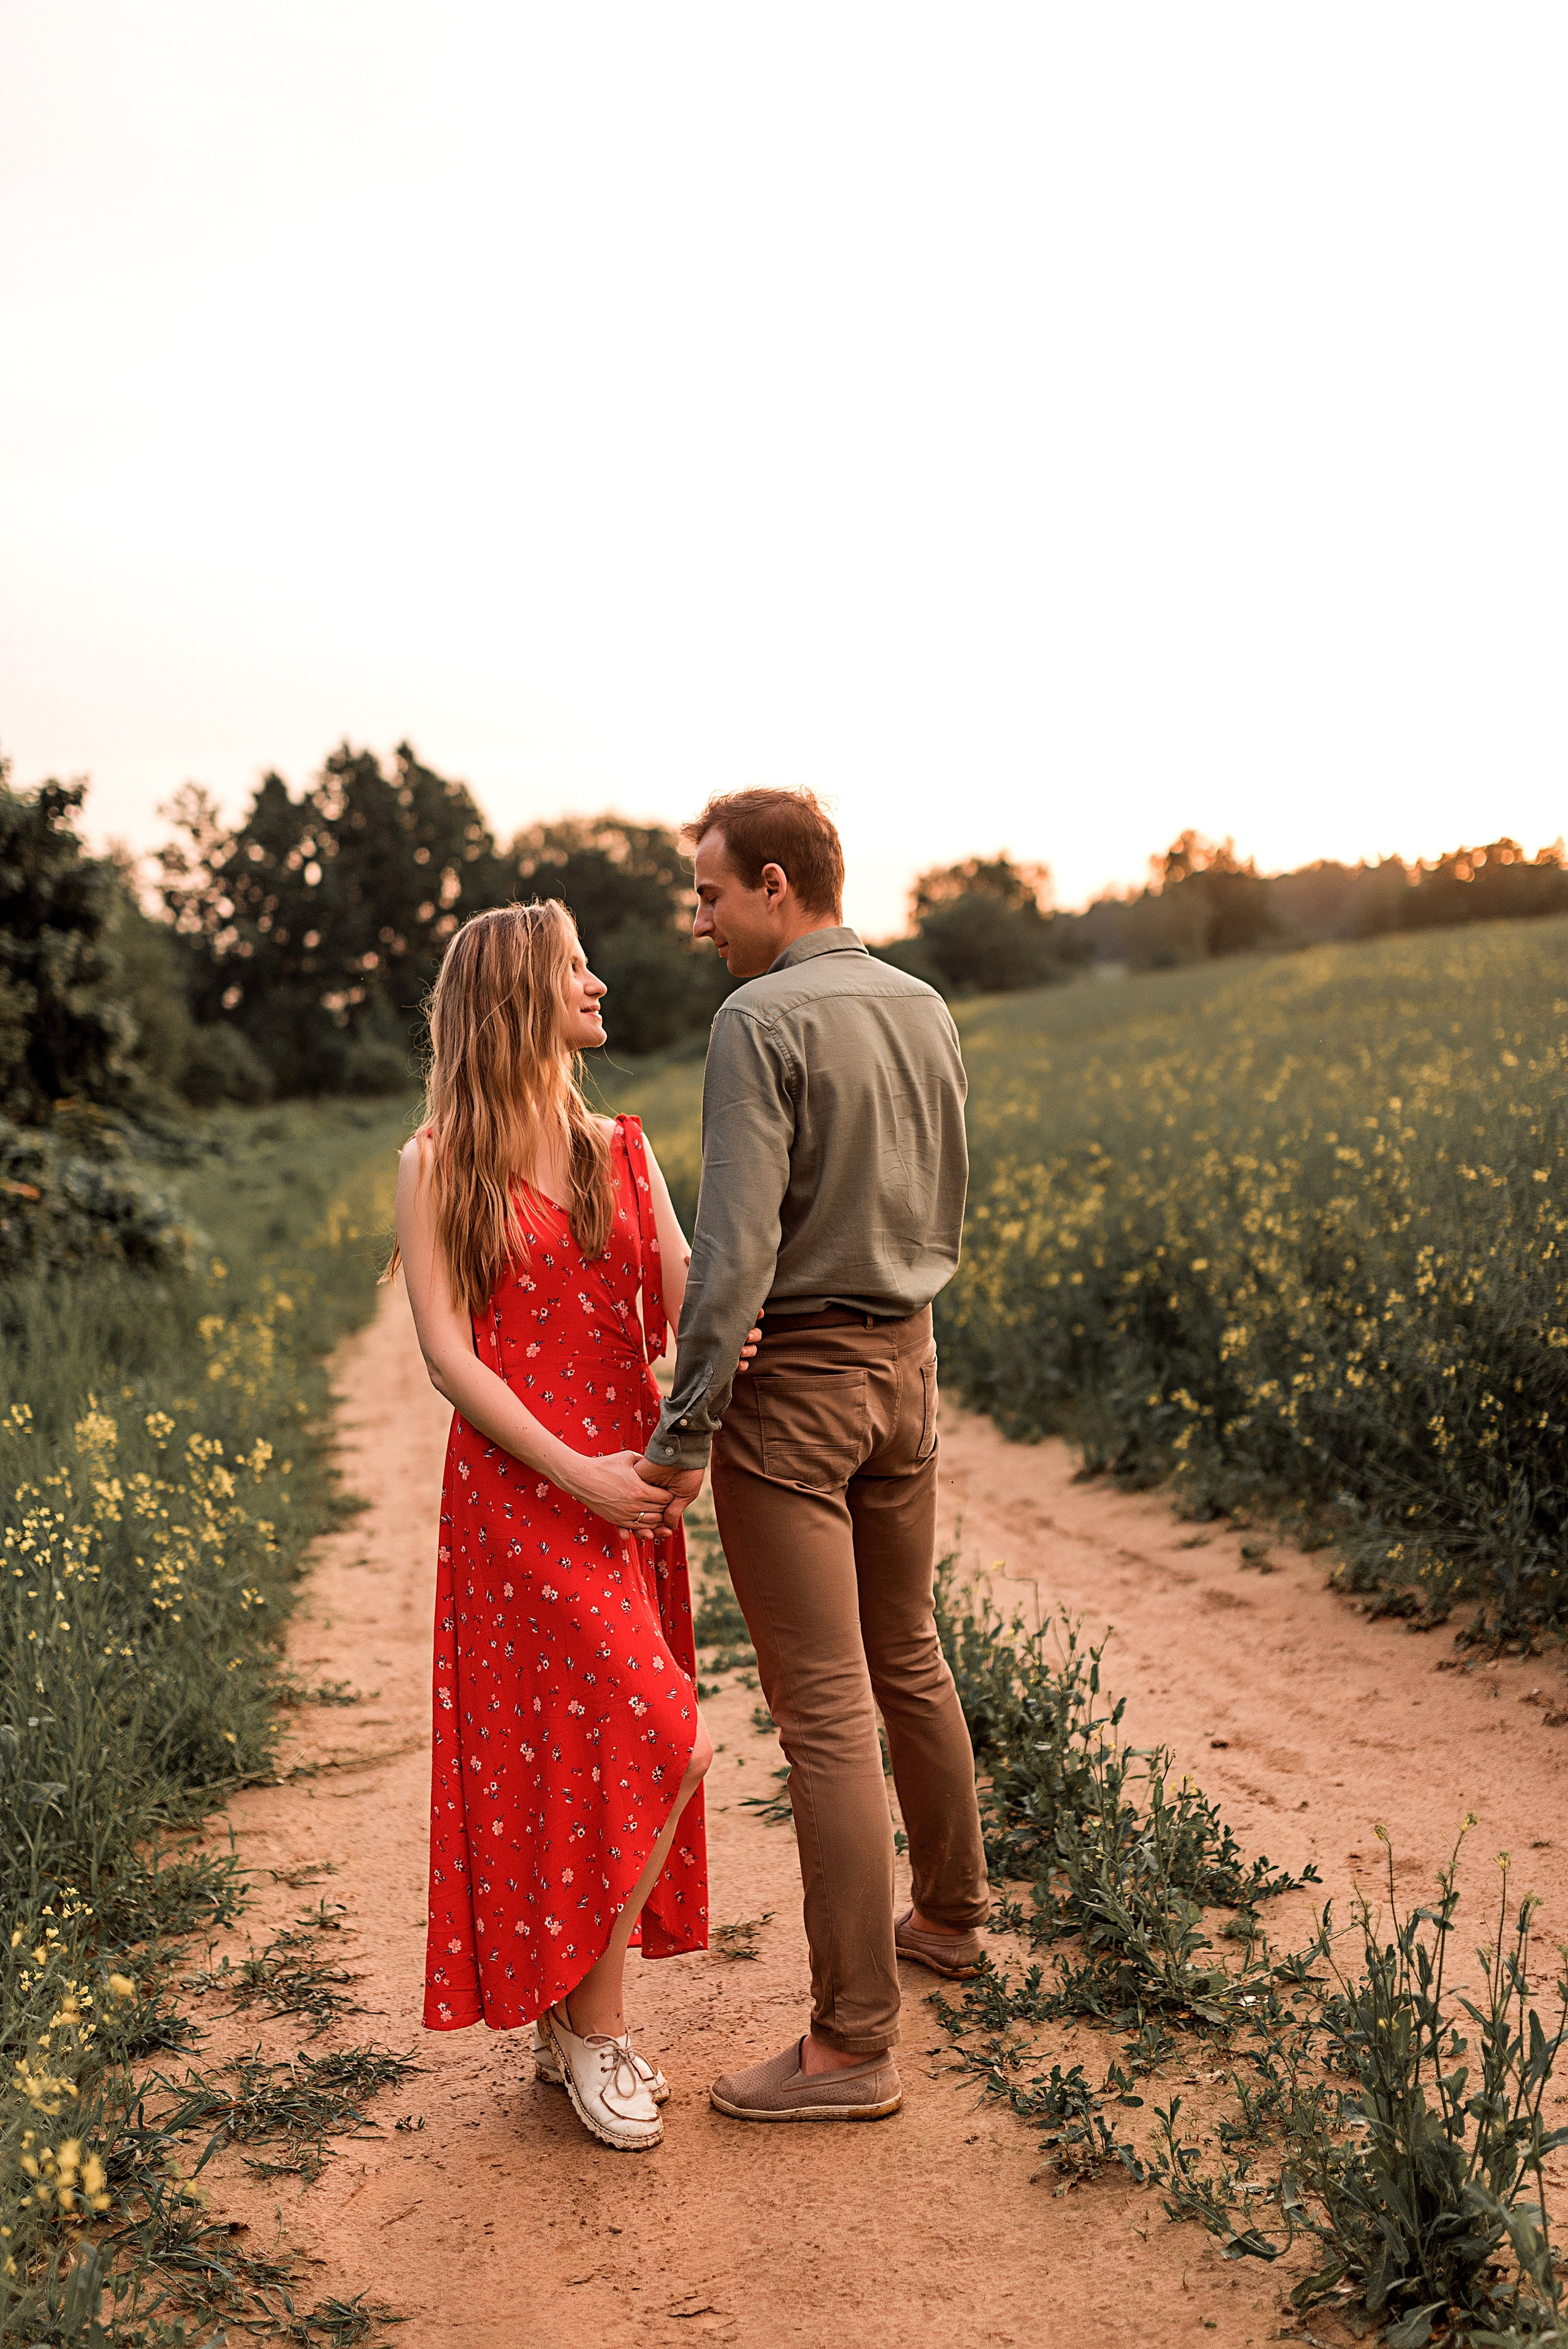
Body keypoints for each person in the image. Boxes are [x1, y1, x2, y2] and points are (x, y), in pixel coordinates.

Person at [636, 788, 989, 2124]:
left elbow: (730, 1251)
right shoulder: (922, 1005)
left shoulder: (758, 1018)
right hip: (908, 1360)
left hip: (797, 1382)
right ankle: (947, 1918)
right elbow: (939, 1190)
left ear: (776, 887)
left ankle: (847, 2046)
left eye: (711, 894)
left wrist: (687, 1424)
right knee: (907, 1649)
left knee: (826, 1707)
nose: (698, 918)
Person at [392, 901, 727, 2154]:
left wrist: (712, 1373)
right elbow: (447, 1359)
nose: (597, 981)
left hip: (623, 1494)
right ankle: (594, 2037)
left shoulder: (621, 1151)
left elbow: (693, 1304)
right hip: (518, 1500)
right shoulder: (437, 1165)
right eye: (573, 966)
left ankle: (564, 2016)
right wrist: (573, 1477)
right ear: (519, 997)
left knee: (598, 1754)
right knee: (664, 1735)